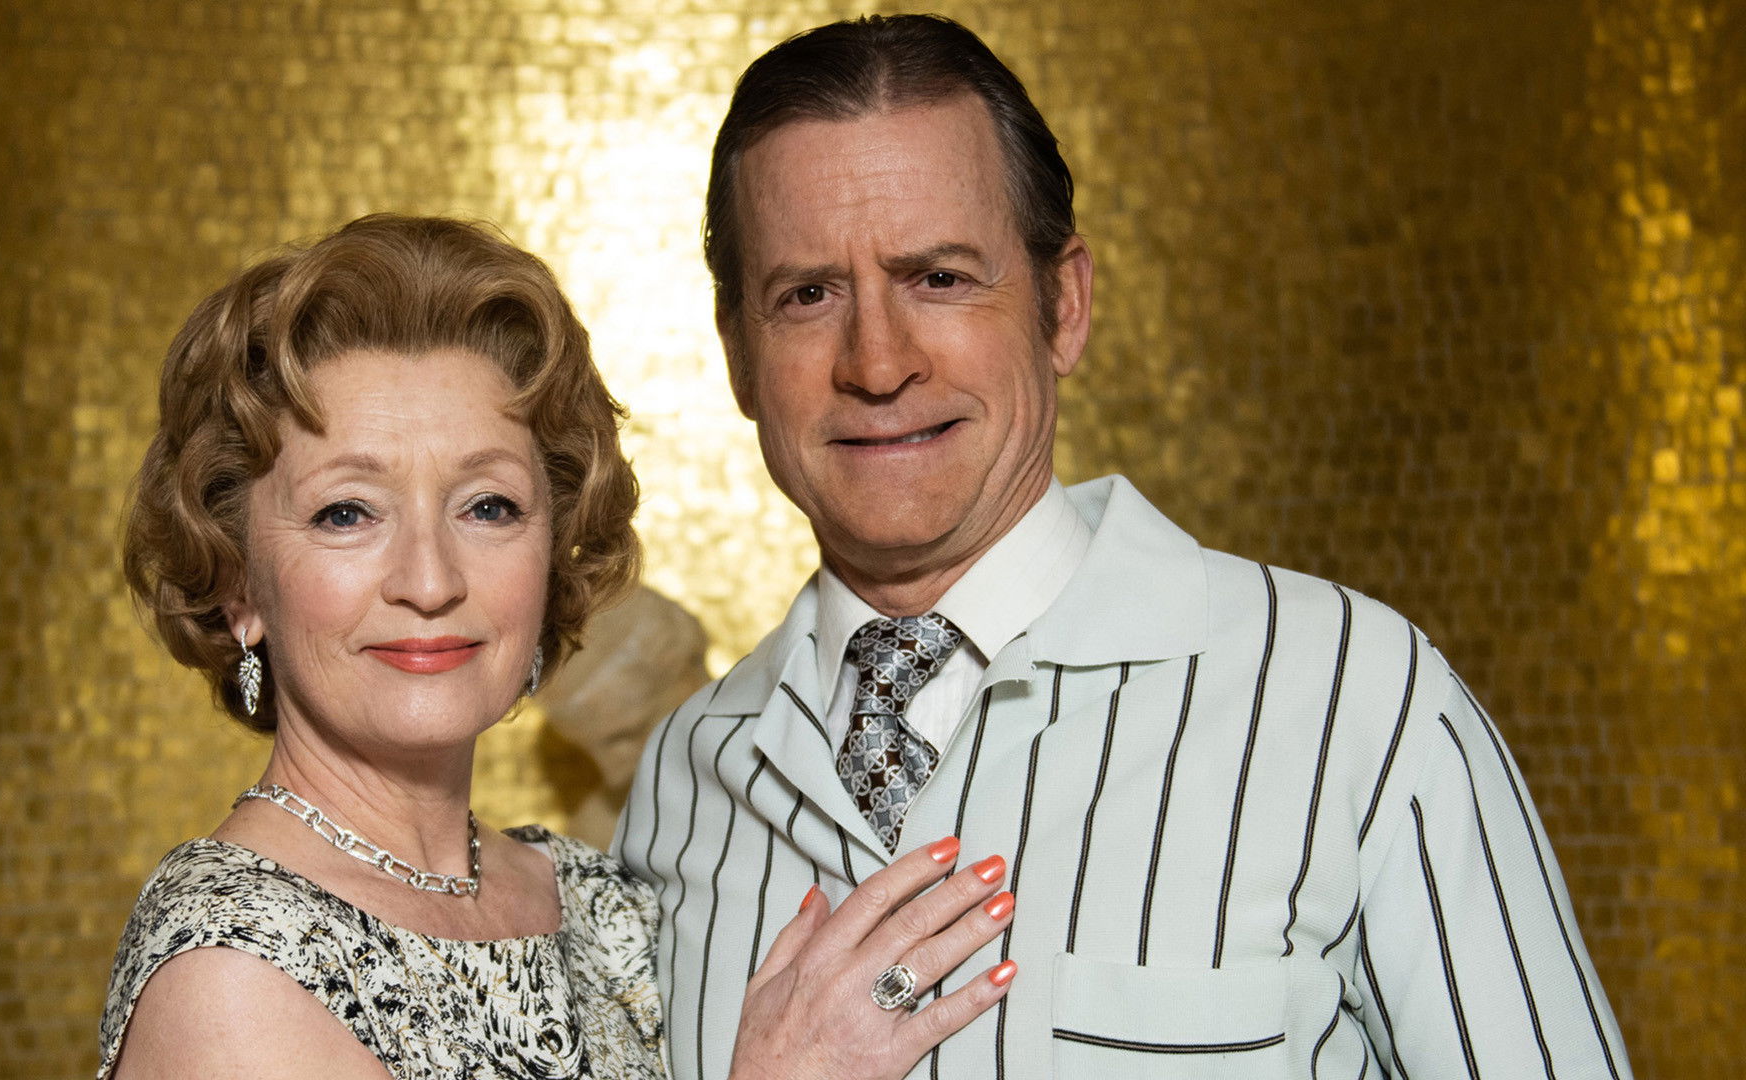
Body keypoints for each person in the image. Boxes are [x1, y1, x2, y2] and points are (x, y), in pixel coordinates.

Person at [616, 15, 1635, 1080]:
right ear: (737, 356)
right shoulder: (682, 783)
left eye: (940, 278)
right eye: (808, 295)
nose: (877, 362)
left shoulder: (1359, 704)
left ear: (1064, 306)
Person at [102, 214, 1018, 1079]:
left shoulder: (595, 895)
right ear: (238, 582)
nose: (430, 580)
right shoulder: (228, 972)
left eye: (488, 507)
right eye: (347, 513)